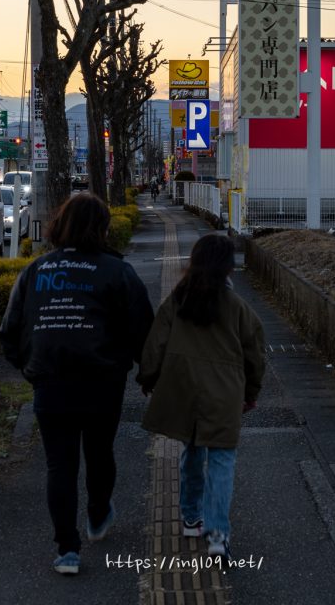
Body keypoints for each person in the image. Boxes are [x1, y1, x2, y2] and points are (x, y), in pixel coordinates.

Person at [0, 193, 154, 576]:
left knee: (60, 465)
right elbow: (143, 330)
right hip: (103, 382)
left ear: (60, 224)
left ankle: (67, 549)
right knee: (100, 453)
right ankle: (98, 514)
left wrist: (30, 368)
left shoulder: (36, 270)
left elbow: (10, 331)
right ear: (102, 229)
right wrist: (146, 373)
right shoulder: (118, 272)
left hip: (50, 382)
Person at [137, 233, 266, 565]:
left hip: (183, 388)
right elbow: (255, 356)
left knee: (191, 449)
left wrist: (148, 378)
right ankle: (218, 533)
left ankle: (191, 516)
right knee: (222, 460)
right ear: (229, 268)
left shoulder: (179, 300)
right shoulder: (238, 307)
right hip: (224, 394)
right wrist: (251, 393)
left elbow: (156, 342)